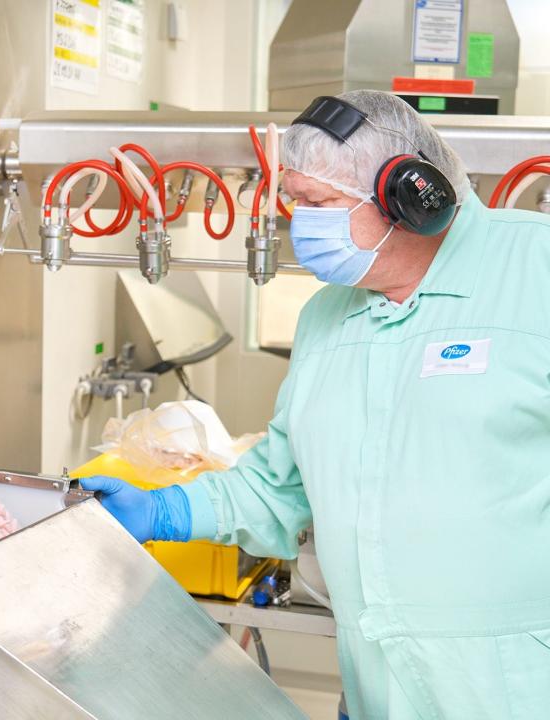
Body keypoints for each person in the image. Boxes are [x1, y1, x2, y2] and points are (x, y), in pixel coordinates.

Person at [81, 90, 550, 720]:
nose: (299, 223)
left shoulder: (534, 270)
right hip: (379, 693)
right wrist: (164, 509)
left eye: (318, 204)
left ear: (411, 197)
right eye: (294, 202)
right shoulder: (328, 317)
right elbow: (280, 486)